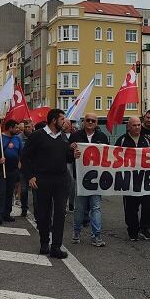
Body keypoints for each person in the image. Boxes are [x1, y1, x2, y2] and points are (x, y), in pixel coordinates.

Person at [23, 109, 79, 259]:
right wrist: (30, 176)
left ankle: (56, 247)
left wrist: (73, 155)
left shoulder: (62, 137)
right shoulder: (38, 136)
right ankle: (44, 243)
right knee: (43, 213)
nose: (65, 122)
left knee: (60, 213)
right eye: (62, 119)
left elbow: (66, 157)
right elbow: (25, 156)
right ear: (54, 120)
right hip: (42, 180)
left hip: (61, 181)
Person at [68, 112, 109, 247]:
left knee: (96, 207)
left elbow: (108, 156)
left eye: (93, 120)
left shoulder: (102, 137)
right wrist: (71, 151)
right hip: (80, 178)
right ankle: (76, 232)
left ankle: (96, 236)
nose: (90, 122)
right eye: (88, 120)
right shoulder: (75, 136)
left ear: (97, 123)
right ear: (83, 121)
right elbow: (67, 156)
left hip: (97, 179)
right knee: (79, 208)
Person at [115, 117, 150, 241]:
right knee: (131, 207)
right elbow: (114, 157)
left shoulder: (146, 140)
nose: (137, 127)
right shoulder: (121, 140)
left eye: (139, 125)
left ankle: (144, 228)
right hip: (129, 180)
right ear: (128, 126)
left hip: (144, 179)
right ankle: (132, 230)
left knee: (148, 205)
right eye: (134, 125)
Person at [0, 120, 22, 226]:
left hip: (13, 170)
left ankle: (7, 214)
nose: (18, 130)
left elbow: (20, 152)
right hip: (0, 170)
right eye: (16, 127)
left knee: (9, 192)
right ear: (10, 128)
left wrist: (19, 164)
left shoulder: (17, 139)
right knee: (2, 192)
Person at [17, 120, 34, 217]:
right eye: (25, 127)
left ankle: (37, 211)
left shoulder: (36, 136)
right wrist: (18, 161)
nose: (27, 129)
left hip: (34, 168)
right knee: (23, 190)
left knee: (36, 191)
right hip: (23, 168)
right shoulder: (19, 138)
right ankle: (24, 208)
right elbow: (17, 151)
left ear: (32, 127)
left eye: (29, 127)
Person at [63, 119, 77, 212]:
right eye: (64, 123)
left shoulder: (75, 135)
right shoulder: (59, 135)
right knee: (66, 183)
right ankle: (64, 204)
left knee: (73, 183)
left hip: (73, 161)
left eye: (68, 123)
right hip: (64, 162)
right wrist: (69, 146)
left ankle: (71, 203)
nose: (66, 125)